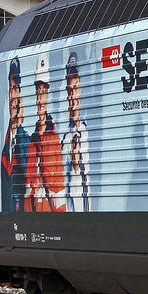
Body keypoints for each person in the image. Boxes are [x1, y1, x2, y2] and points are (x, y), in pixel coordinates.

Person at [26, 52, 67, 212]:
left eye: (43, 92)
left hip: (49, 212)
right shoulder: (32, 141)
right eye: (38, 92)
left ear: (48, 95)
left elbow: (57, 187)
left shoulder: (54, 139)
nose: (40, 98)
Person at [63, 51, 91, 211]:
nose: (73, 96)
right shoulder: (65, 141)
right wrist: (74, 165)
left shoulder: (89, 134)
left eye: (76, 88)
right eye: (69, 90)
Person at [0, 56, 29, 212]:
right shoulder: (4, 146)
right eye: (11, 88)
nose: (13, 95)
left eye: (16, 88)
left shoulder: (26, 143)